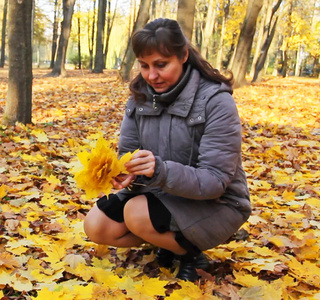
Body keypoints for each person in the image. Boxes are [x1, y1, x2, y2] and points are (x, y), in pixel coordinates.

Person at [83, 18, 251, 281]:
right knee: (96, 225)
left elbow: (216, 180)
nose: (151, 76)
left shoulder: (216, 101)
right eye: (144, 66)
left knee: (136, 213)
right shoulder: (139, 96)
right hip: (157, 193)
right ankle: (167, 242)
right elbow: (128, 155)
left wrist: (159, 170)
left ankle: (190, 254)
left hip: (218, 203)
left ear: (183, 55)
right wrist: (126, 174)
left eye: (161, 65)